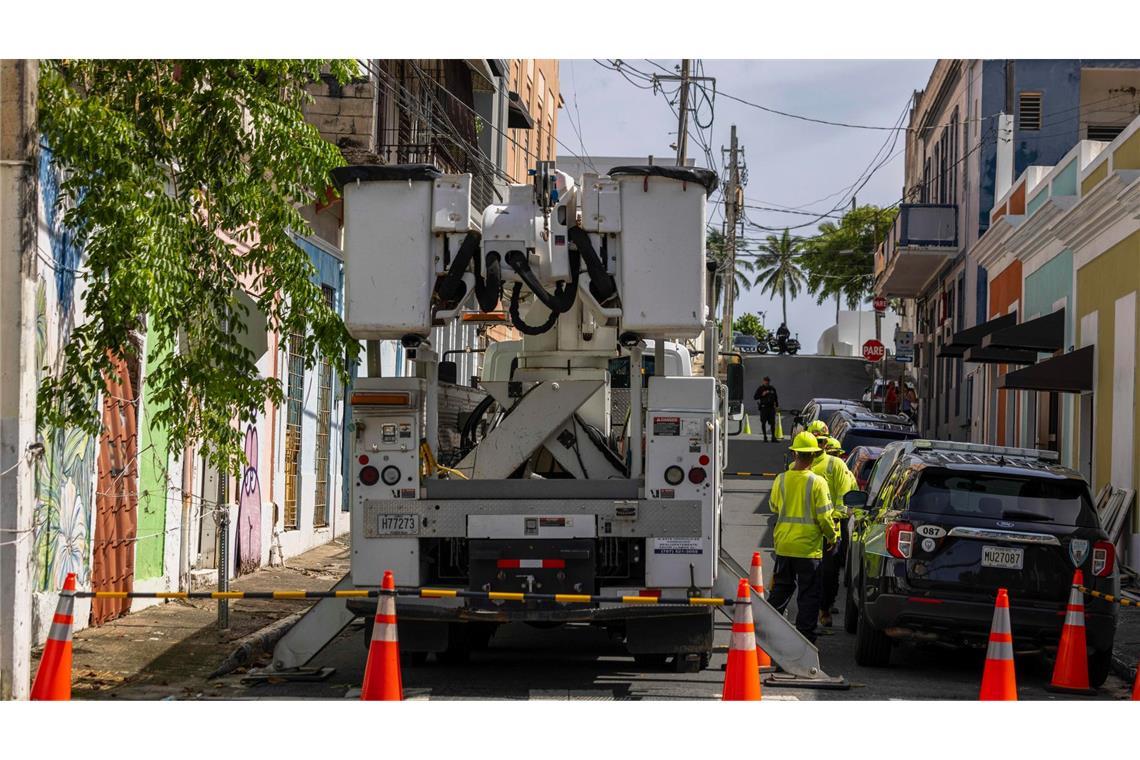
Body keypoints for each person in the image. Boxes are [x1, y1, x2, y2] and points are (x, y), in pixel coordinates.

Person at [768, 432, 839, 643]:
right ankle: (804, 638)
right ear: (815, 455)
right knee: (808, 595)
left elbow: (774, 506)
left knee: (780, 591)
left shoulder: (781, 479)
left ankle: (768, 633)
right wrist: (832, 536)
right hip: (808, 549)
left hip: (783, 545)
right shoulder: (818, 483)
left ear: (794, 454)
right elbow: (825, 517)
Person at [814, 435, 858, 627]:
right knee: (818, 571)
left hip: (833, 525)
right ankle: (820, 608)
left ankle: (825, 607)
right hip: (817, 527)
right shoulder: (809, 467)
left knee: (829, 572)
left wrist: (838, 516)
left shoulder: (842, 470)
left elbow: (849, 495)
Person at [753, 376, 779, 442]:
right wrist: (762, 394)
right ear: (763, 381)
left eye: (768, 381)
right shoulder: (761, 388)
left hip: (771, 408)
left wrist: (777, 406)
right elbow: (755, 397)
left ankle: (773, 437)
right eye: (765, 381)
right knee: (763, 422)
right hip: (764, 408)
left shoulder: (772, 388)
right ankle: (765, 436)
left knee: (773, 423)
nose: (766, 382)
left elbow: (776, 398)